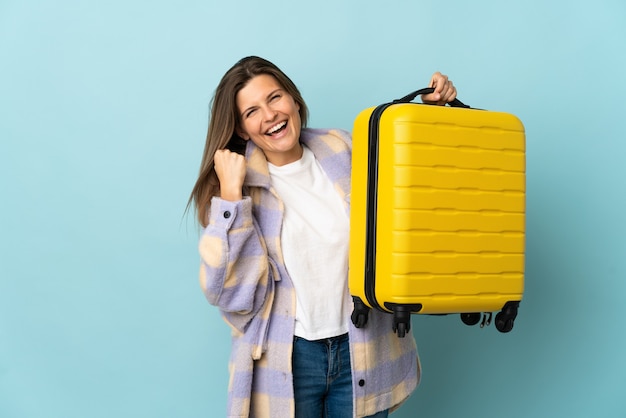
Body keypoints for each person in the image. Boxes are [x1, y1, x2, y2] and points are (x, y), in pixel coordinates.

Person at [188, 56, 457, 418]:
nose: (269, 115)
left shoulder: (343, 150)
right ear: (241, 129)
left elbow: (419, 194)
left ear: (294, 100)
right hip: (288, 358)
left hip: (362, 345)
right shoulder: (235, 190)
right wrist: (232, 199)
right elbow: (230, 295)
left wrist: (438, 117)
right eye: (251, 111)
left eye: (275, 97)